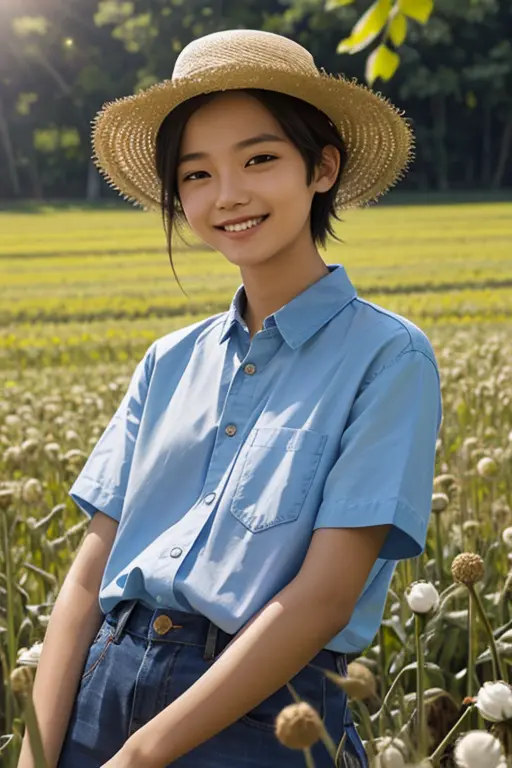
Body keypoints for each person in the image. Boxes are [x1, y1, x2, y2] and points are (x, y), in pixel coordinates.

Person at [18, 28, 443, 768]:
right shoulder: (166, 361)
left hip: (268, 713)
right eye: (196, 175)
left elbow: (323, 599)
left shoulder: (389, 356)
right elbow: (88, 577)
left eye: (259, 159)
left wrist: (144, 754)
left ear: (322, 167)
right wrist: (37, 749)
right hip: (100, 689)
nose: (229, 195)